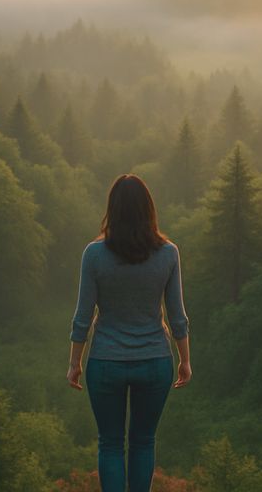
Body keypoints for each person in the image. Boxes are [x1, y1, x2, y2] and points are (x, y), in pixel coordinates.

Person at [67, 173, 191, 492]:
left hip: (106, 361)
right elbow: (178, 316)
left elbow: (83, 316)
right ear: (148, 210)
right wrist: (185, 360)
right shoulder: (168, 254)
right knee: (143, 442)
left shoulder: (93, 255)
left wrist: (74, 363)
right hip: (154, 360)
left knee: (110, 444)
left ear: (113, 209)